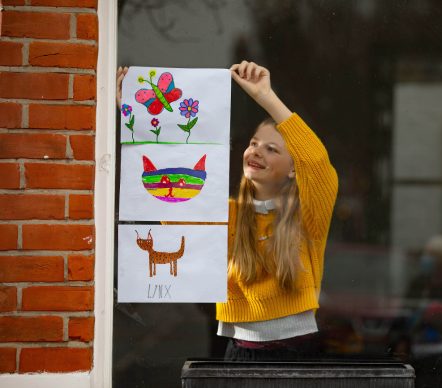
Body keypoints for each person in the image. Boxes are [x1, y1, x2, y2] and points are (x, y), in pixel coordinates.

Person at [117, 61, 338, 361]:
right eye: (254, 143)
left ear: (291, 169)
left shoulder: (307, 216)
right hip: (238, 352)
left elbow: (316, 162)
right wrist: (136, 118)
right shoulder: (226, 213)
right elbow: (171, 201)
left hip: (297, 352)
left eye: (272, 148)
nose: (257, 151)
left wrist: (265, 97)